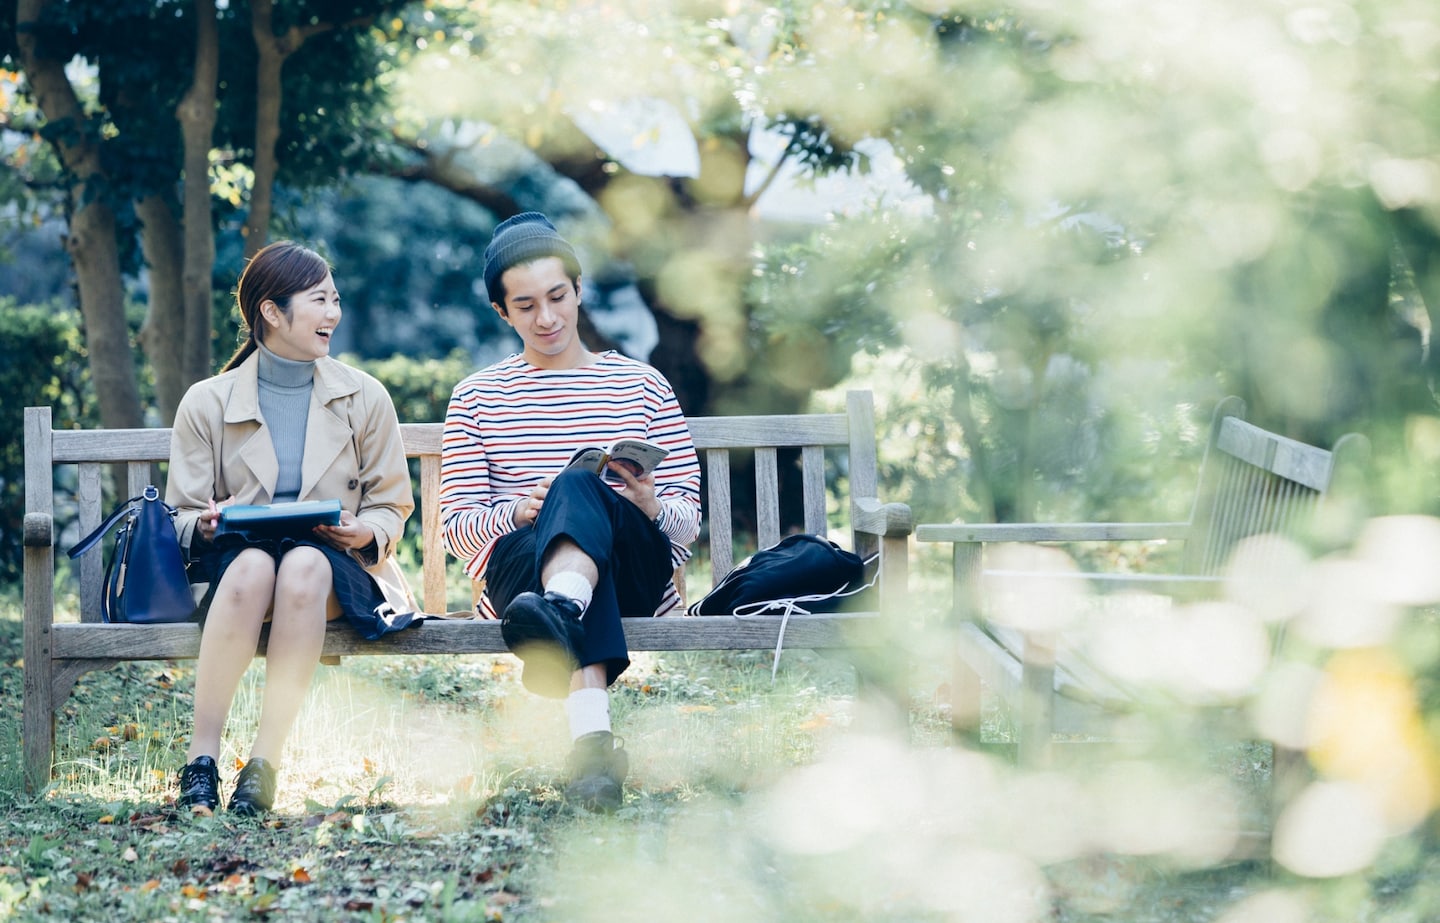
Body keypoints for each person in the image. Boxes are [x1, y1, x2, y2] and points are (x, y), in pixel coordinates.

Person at [440, 213, 702, 813]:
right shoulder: (477, 397)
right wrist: (518, 512)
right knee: (572, 493)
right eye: (526, 306)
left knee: (584, 494)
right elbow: (456, 529)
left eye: (559, 297)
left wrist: (650, 504)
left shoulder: (643, 385)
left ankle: (561, 611)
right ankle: (591, 741)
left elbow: (688, 527)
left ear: (579, 290)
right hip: (522, 576)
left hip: (632, 570)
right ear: (502, 313)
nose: (548, 318)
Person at [167, 241, 415, 816]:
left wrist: (365, 531)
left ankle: (264, 764)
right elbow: (180, 511)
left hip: (331, 566)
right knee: (256, 564)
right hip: (238, 568)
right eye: (319, 300)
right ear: (272, 313)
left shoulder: (364, 395)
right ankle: (200, 761)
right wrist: (203, 524)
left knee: (301, 562)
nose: (334, 313)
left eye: (336, 299)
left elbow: (391, 504)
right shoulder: (207, 402)